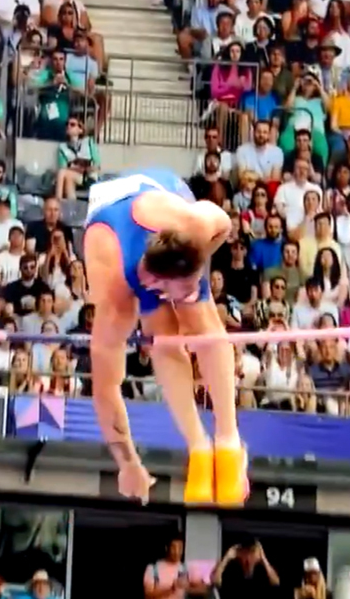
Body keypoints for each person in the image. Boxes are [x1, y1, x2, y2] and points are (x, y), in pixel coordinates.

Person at [82, 167, 246, 507]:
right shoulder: (115, 296)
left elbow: (225, 227)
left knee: (199, 316)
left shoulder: (194, 224)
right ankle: (198, 445)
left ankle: (229, 441)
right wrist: (128, 463)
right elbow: (105, 388)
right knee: (162, 334)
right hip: (110, 227)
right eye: (179, 291)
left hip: (161, 194)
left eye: (191, 286)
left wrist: (196, 276)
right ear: (156, 285)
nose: (185, 296)